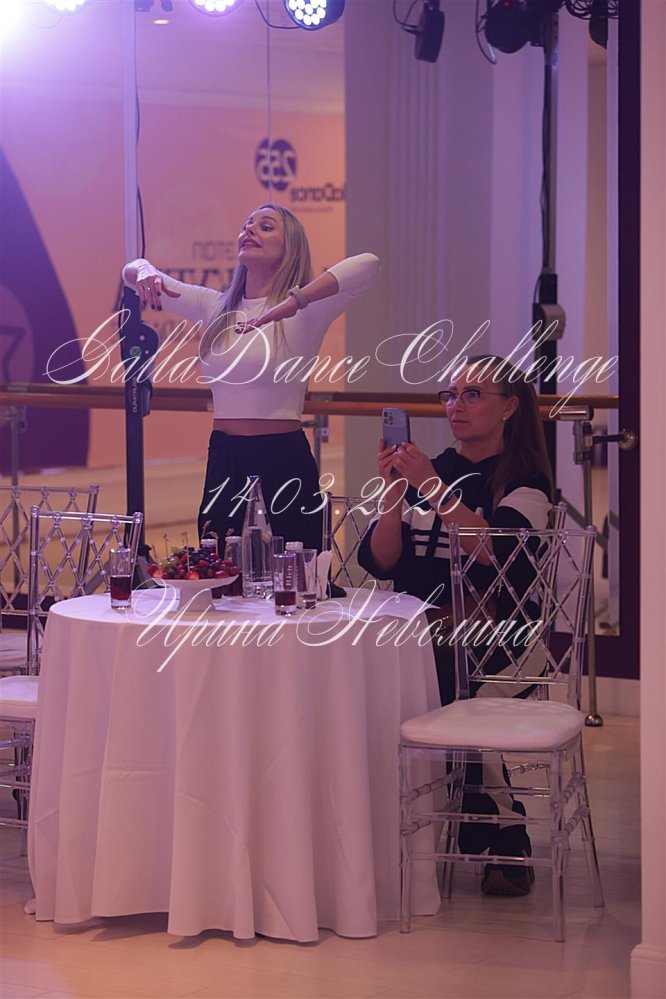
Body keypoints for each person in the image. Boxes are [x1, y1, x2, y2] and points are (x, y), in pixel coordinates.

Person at [358, 355, 554, 897]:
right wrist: (394, 497)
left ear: (509, 407)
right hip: (422, 636)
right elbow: (381, 562)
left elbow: (500, 556)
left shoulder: (526, 482)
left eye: (472, 394)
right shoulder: (429, 467)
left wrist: (432, 485)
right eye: (450, 394)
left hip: (504, 642)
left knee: (449, 676)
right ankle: (495, 832)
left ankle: (487, 830)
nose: (455, 405)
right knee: (394, 662)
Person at [123, 203, 380, 551]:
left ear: (290, 246)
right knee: (219, 567)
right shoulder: (215, 306)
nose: (250, 231)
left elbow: (368, 264)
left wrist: (295, 300)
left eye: (266, 226)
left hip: (282, 456)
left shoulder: (309, 309)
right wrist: (145, 270)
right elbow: (130, 271)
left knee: (297, 569)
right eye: (247, 225)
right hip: (225, 456)